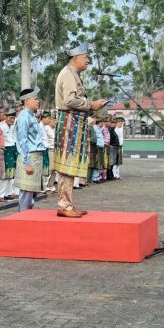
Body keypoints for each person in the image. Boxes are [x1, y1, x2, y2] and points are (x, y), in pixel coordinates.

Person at [52, 42, 107, 218]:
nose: (88, 61)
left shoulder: (72, 74)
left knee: (71, 164)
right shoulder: (68, 74)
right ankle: (64, 205)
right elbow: (69, 101)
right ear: (76, 58)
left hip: (74, 122)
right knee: (67, 164)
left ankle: (67, 203)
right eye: (86, 57)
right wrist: (91, 104)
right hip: (69, 122)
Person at [14, 88, 48, 212]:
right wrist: (26, 162)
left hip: (36, 156)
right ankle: (22, 218)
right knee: (26, 191)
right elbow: (22, 140)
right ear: (27, 101)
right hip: (29, 156)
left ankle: (27, 216)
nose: (38, 101)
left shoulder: (31, 116)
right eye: (35, 99)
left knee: (32, 191)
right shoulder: (23, 117)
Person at [0, 109, 19, 201]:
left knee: (12, 172)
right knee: (5, 173)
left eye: (14, 118)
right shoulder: (1, 126)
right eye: (11, 118)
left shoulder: (13, 125)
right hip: (5, 149)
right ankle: (1, 195)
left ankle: (9, 193)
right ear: (6, 118)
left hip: (13, 147)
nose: (12, 120)